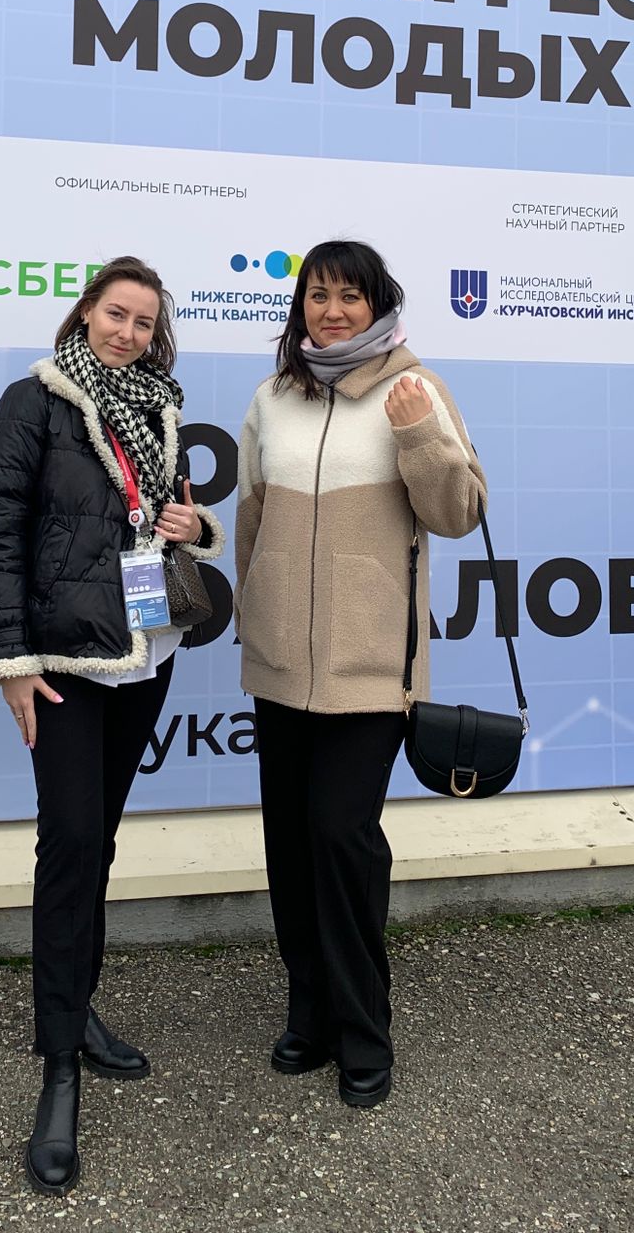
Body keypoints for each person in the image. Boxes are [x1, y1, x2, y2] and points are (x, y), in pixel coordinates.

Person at [0, 255, 225, 1195]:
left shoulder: (159, 405)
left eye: (144, 322)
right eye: (116, 314)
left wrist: (195, 528)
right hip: (66, 662)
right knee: (71, 843)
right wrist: (13, 662)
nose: (127, 332)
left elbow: (164, 519)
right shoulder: (33, 402)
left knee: (100, 840)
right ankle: (59, 1071)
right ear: (85, 314)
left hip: (145, 652)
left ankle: (77, 1009)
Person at [233, 240, 486, 1109]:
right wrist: (251, 612)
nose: (332, 310)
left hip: (371, 668)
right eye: (318, 295)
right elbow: (252, 517)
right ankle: (308, 1015)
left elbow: (459, 513)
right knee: (290, 845)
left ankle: (363, 1029)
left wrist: (419, 434)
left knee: (342, 840)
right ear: (299, 305)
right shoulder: (273, 396)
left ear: (379, 304)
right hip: (279, 663)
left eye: (350, 295)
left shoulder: (416, 389)